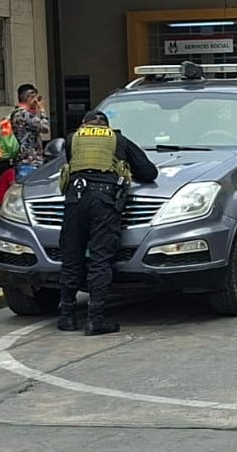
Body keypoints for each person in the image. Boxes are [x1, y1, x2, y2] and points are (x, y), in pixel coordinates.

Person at [57, 109, 158, 335]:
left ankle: (67, 317)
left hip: (75, 199)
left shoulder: (73, 139)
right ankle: (95, 319)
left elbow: (70, 165)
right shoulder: (117, 139)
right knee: (101, 258)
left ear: (85, 124)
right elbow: (149, 172)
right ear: (107, 126)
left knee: (71, 256)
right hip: (103, 201)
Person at [10, 84, 50, 181]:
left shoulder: (16, 113)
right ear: (30, 97)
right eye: (36, 98)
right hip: (30, 162)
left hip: (21, 160)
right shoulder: (24, 114)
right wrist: (42, 110)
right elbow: (45, 128)